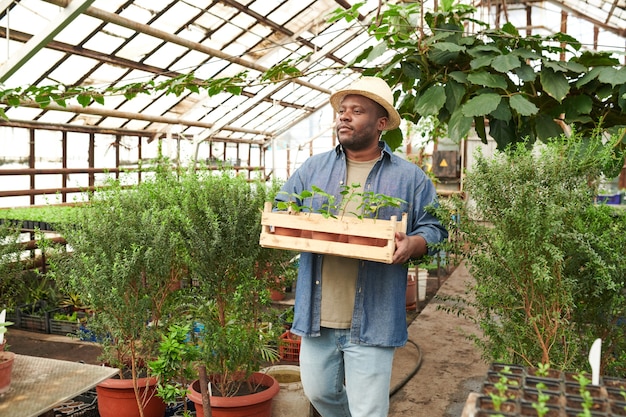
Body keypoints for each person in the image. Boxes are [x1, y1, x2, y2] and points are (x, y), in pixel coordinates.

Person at [275, 76, 448, 417]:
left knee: (368, 409)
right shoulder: (313, 168)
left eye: (356, 110)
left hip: (374, 317)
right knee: (320, 393)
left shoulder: (410, 178)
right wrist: (290, 215)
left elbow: (436, 229)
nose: (344, 116)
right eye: (342, 110)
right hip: (317, 315)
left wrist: (413, 243)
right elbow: (283, 204)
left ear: (381, 123)